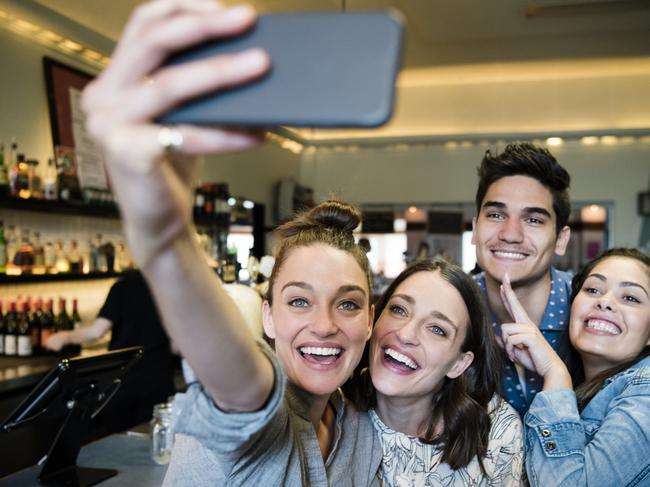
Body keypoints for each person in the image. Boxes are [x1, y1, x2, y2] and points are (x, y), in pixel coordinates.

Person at [345, 258, 525, 486]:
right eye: (399, 309)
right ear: (374, 319)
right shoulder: (332, 416)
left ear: (459, 364)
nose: (406, 334)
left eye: (437, 329)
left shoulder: (497, 431)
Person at [499, 248, 650, 486]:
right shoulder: (590, 389)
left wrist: (554, 373)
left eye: (630, 297)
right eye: (592, 289)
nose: (605, 302)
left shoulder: (646, 389)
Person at [471, 141, 572, 415]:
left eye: (534, 220)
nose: (511, 234)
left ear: (561, 239)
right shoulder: (454, 309)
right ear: (474, 229)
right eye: (495, 214)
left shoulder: (589, 312)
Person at [45, 271, 176, 434]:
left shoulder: (123, 286)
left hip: (125, 380)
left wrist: (64, 337)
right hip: (160, 379)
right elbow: (177, 344)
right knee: (154, 437)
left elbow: (97, 332)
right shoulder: (172, 286)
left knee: (119, 444)